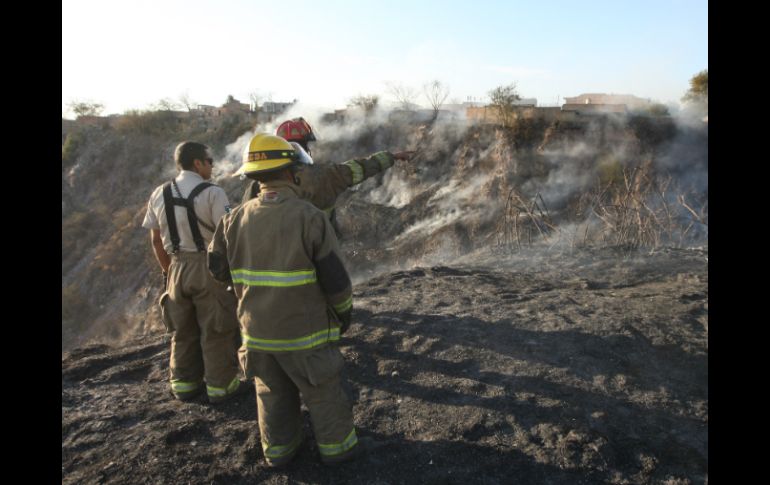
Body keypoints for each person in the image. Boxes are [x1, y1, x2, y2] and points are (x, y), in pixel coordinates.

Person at [208, 134, 363, 466]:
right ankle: (339, 453)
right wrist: (343, 315)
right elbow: (336, 281)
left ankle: (279, 452)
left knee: (271, 395)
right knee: (324, 394)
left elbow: (217, 269)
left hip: (256, 336)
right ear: (292, 172)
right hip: (304, 337)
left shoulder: (233, 219)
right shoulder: (310, 217)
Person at [142, 141, 247, 404]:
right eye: (209, 161)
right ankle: (221, 387)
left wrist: (170, 270)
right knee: (216, 329)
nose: (212, 165)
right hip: (208, 267)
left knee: (182, 330)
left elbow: (156, 240)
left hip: (175, 267)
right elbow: (228, 237)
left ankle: (184, 385)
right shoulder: (213, 193)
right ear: (198, 163)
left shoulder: (159, 193)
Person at [241, 117, 414, 235]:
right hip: (320, 254)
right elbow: (360, 168)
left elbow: (244, 226)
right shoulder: (324, 176)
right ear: (304, 147)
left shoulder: (257, 186)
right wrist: (391, 156)